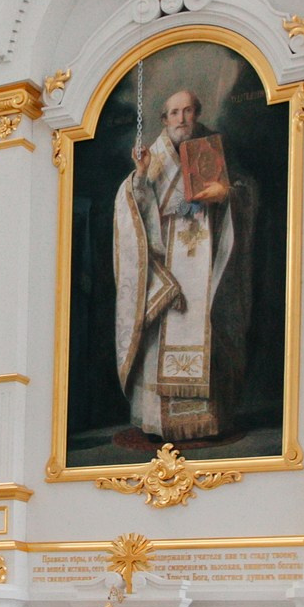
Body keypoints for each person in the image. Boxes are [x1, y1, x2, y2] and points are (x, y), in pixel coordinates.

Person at [113, 86, 254, 441]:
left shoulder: (211, 151)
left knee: (204, 331)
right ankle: (161, 424)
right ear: (164, 119)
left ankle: (203, 424)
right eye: (174, 113)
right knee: (161, 342)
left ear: (197, 113)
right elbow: (134, 206)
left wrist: (227, 197)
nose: (182, 119)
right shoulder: (153, 157)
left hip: (205, 266)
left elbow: (245, 193)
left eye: (188, 111)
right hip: (164, 266)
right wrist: (141, 175)